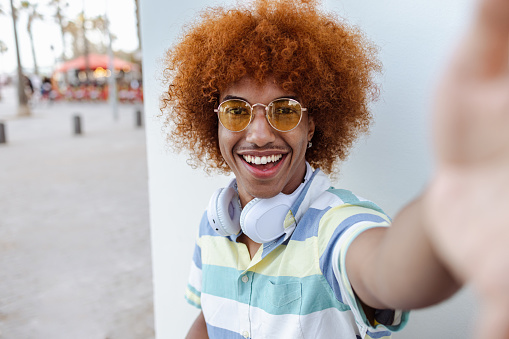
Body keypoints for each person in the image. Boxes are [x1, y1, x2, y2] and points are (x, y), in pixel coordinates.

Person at [160, 0, 509, 338]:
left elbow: (387, 271)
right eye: (236, 111)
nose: (260, 135)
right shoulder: (215, 223)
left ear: (311, 125)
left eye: (285, 110)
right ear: (214, 124)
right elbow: (208, 319)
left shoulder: (337, 227)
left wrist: (450, 203)